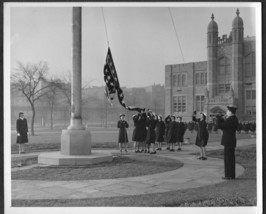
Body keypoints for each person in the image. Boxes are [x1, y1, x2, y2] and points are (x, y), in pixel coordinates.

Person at [216, 105, 239, 180]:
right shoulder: (232, 118)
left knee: (228, 159)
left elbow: (221, 126)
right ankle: (231, 175)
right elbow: (224, 126)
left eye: (228, 111)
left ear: (231, 112)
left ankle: (229, 175)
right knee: (230, 158)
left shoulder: (231, 119)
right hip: (230, 141)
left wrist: (219, 118)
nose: (226, 112)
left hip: (228, 141)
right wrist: (223, 119)